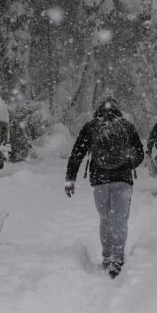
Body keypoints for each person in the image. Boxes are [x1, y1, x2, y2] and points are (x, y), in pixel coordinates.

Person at [65, 97, 144, 278]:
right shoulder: (127, 126)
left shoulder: (91, 126)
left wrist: (70, 179)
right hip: (123, 180)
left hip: (100, 181)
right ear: (118, 110)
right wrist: (126, 163)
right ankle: (117, 258)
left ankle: (107, 257)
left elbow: (77, 154)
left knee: (106, 219)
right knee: (120, 221)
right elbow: (139, 154)